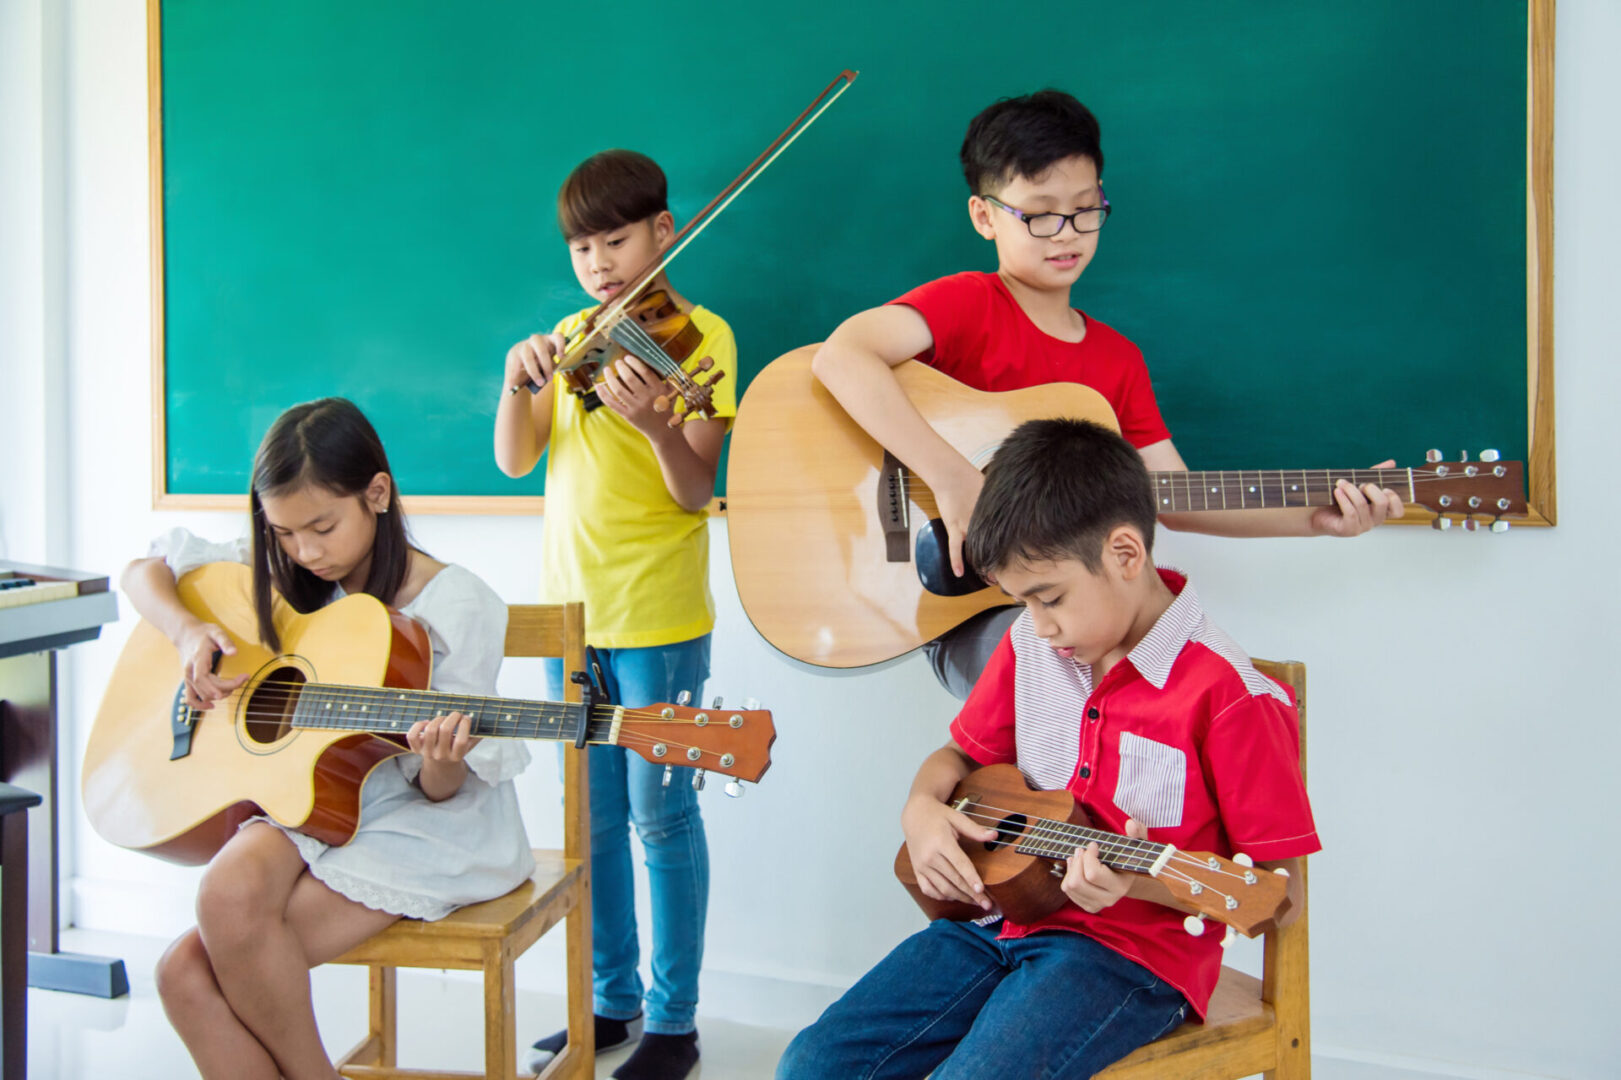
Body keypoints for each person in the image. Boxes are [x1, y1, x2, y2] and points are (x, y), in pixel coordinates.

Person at [810, 89, 1405, 698]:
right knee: (1081, 666)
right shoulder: (969, 305)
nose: (1065, 233)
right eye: (1039, 214)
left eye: (1085, 209)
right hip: (969, 611)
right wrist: (953, 476)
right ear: (985, 216)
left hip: (1065, 618)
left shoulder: (1116, 361)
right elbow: (843, 358)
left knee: (1189, 673)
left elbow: (1176, 496)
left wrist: (1315, 520)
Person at [776, 418, 1318, 1079]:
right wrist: (919, 809)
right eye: (1019, 602)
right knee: (813, 1064)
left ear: (1125, 554)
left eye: (1048, 598)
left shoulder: (1231, 695)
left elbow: (1275, 892)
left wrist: (1138, 882)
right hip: (993, 921)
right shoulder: (1031, 647)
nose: (1038, 625)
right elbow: (955, 760)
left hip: (1127, 960)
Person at [126, 397, 532, 1080]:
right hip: (314, 798)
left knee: (190, 973)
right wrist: (187, 631)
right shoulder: (282, 578)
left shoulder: (455, 602)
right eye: (283, 533)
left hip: (426, 822)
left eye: (321, 527)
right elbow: (145, 569)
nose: (304, 552)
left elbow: (443, 787)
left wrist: (438, 761)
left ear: (377, 493)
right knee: (188, 956)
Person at [494, 149, 736, 1080]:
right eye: (582, 247)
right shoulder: (567, 336)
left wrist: (656, 425)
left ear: (663, 232)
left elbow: (693, 491)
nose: (598, 264)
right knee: (590, 825)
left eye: (617, 239)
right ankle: (610, 1001)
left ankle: (675, 1021)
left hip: (660, 618)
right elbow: (516, 460)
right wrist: (516, 379)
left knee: (662, 819)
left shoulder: (701, 337)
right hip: (571, 620)